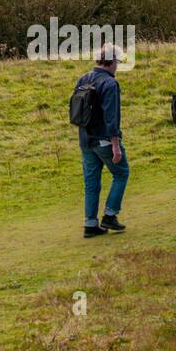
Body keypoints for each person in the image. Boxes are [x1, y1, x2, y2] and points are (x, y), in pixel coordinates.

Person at [75, 43, 129, 238]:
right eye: (117, 61)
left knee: (91, 182)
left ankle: (90, 224)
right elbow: (111, 117)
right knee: (121, 173)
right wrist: (115, 145)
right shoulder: (110, 83)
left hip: (85, 139)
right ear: (111, 61)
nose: (117, 66)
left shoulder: (83, 79)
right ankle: (110, 214)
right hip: (104, 139)